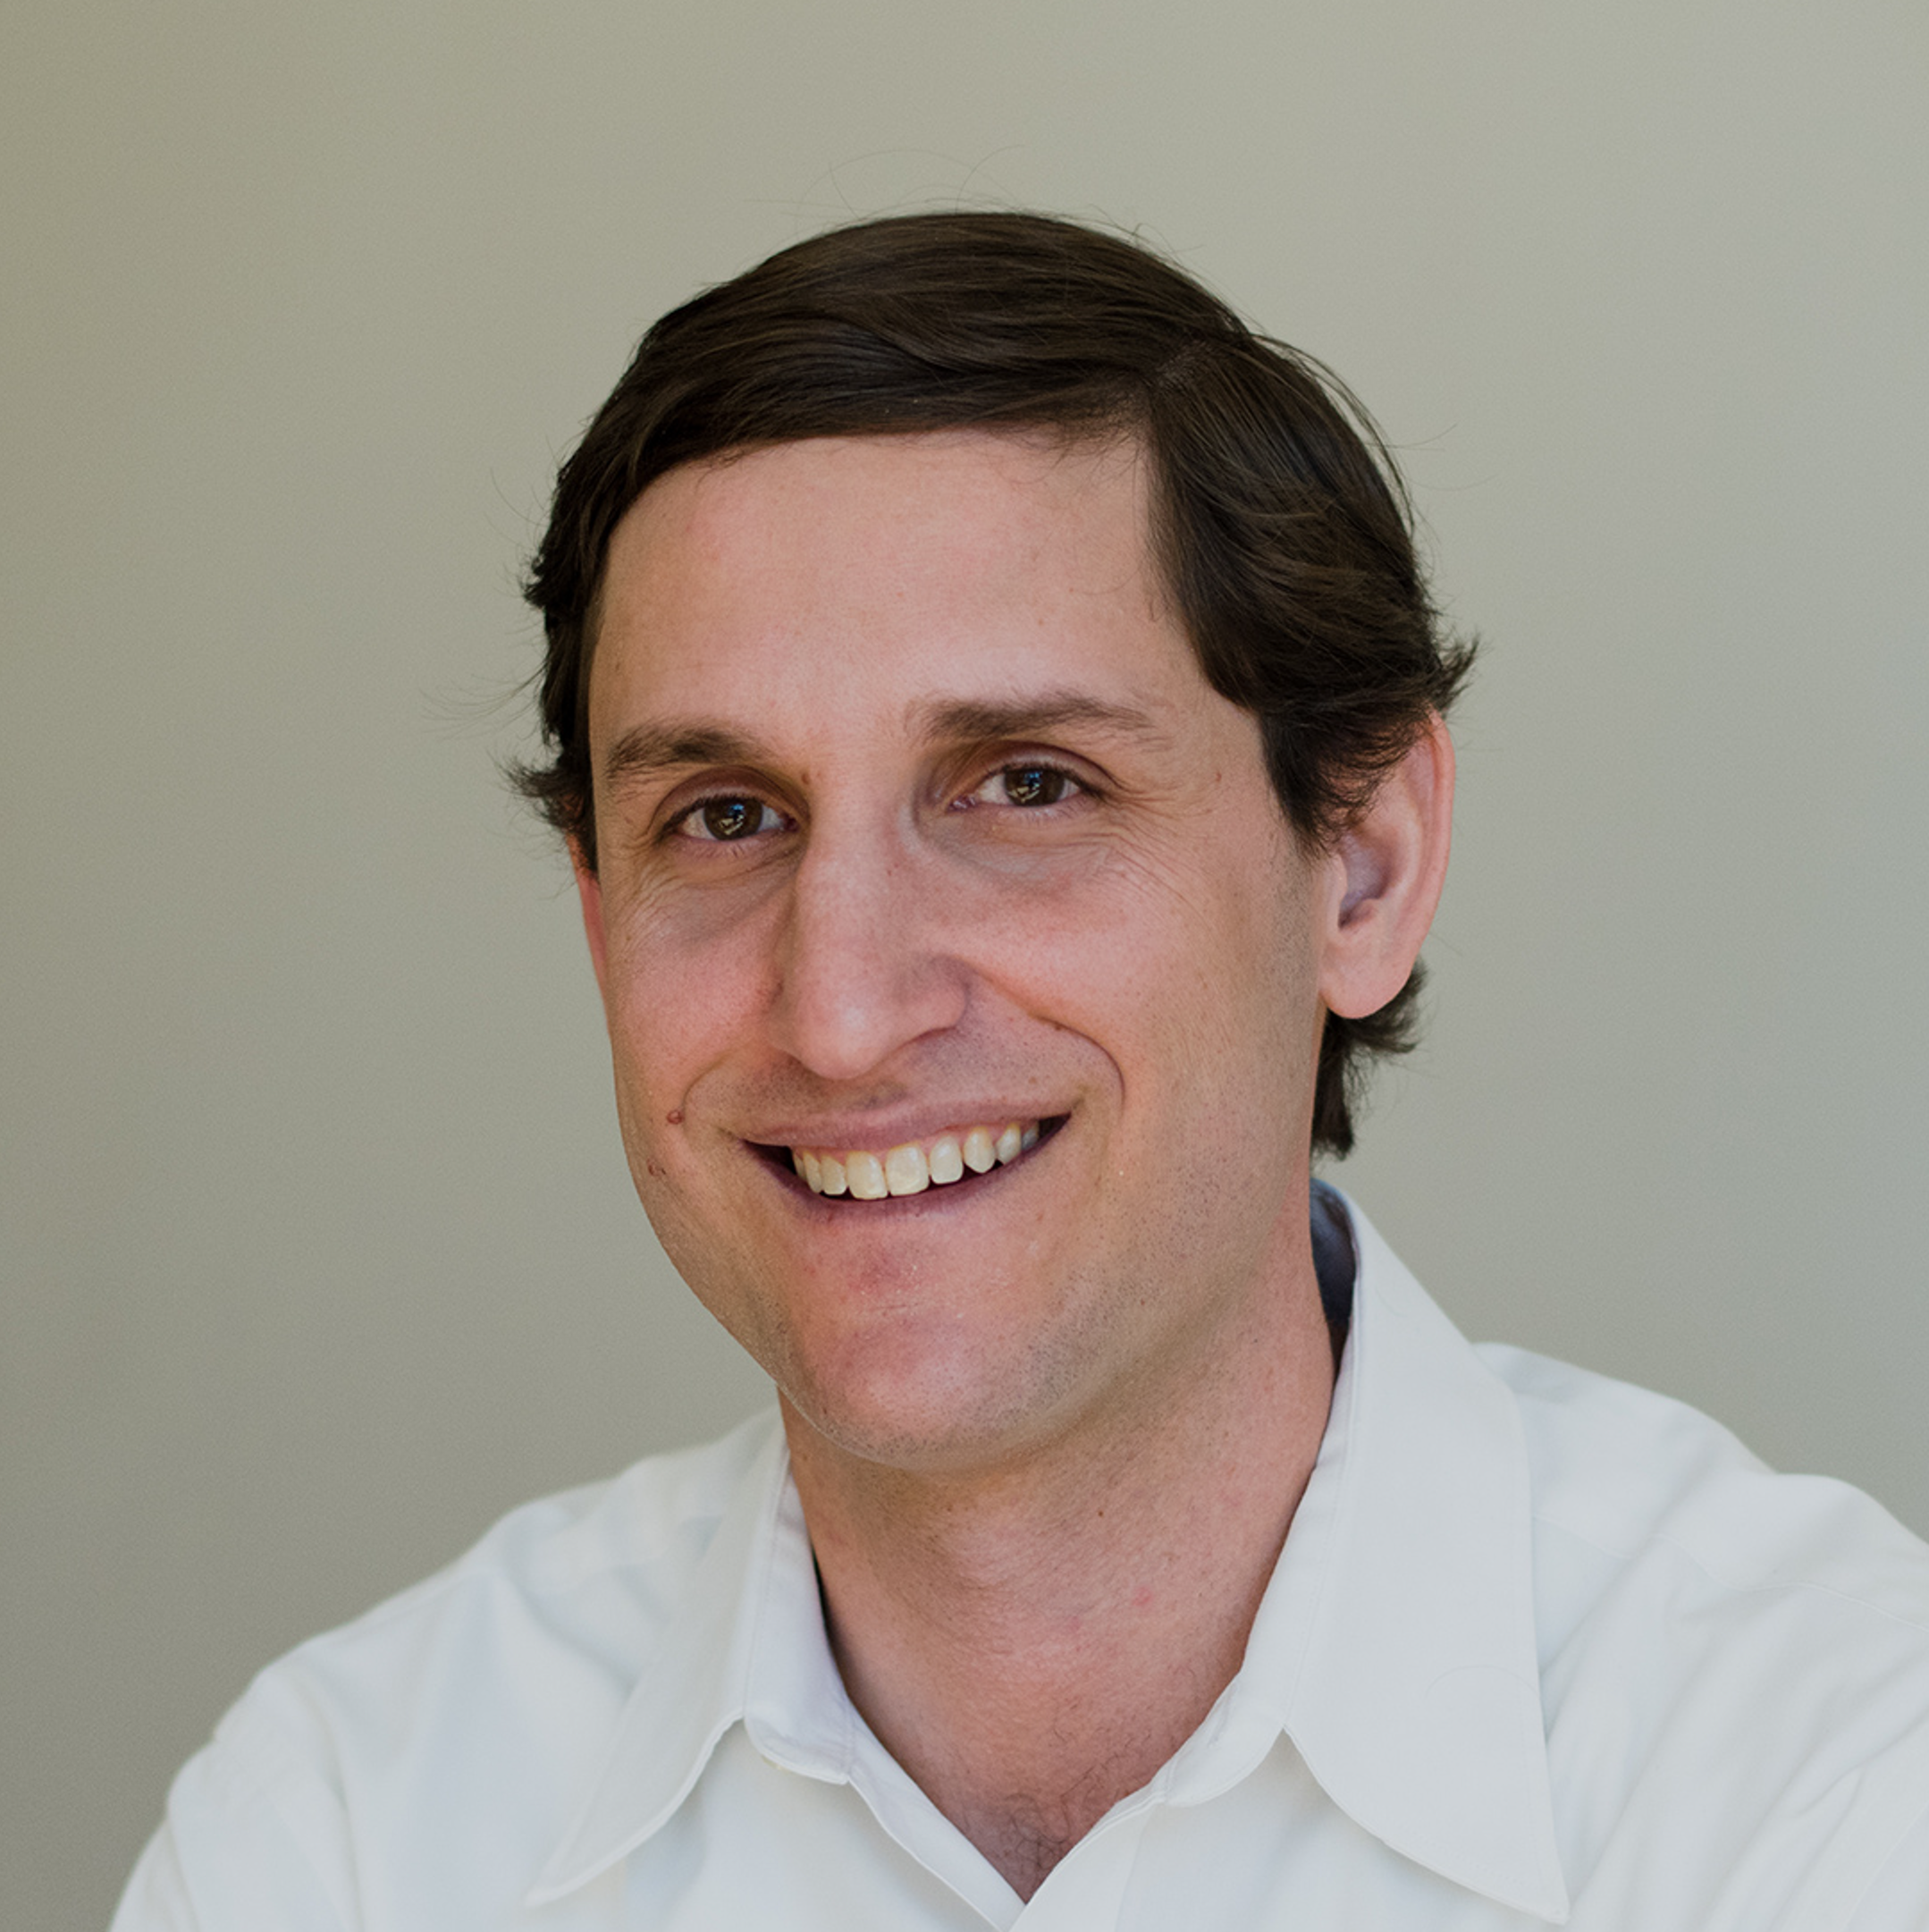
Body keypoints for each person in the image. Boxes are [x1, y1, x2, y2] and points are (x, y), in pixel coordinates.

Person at [114, 212, 1929, 1930]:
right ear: (600, 923)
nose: (838, 1013)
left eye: (1027, 787)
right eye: (725, 818)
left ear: (1360, 867)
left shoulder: (1827, 1781)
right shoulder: (349, 1831)